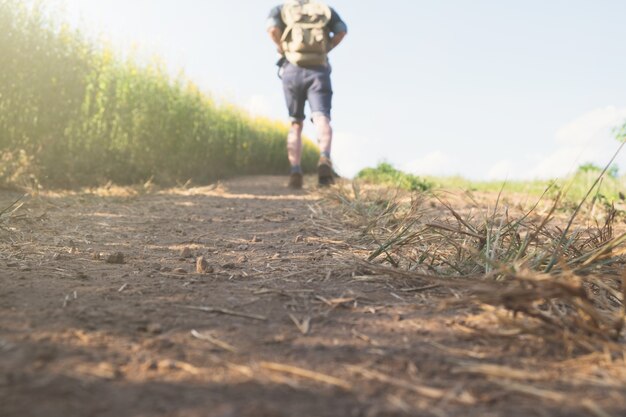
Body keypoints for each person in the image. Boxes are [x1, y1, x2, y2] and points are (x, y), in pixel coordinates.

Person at [266, 0, 347, 189]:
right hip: (319, 69)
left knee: (295, 123)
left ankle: (295, 170)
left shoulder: (282, 9)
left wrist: (283, 48)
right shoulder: (324, 10)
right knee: (322, 117)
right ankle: (325, 159)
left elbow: (271, 29)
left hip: (292, 69)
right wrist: (326, 49)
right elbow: (342, 31)